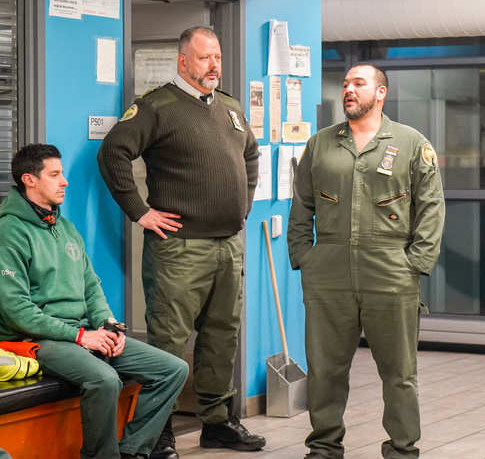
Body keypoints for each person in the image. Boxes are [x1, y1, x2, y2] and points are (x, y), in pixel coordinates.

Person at [97, 26, 264, 458]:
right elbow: (113, 152)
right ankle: (160, 433)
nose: (215, 66)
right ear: (183, 62)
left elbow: (250, 155)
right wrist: (140, 211)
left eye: (219, 58)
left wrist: (241, 205)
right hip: (180, 248)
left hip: (228, 244)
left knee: (222, 335)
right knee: (170, 341)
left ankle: (218, 423)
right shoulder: (157, 106)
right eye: (206, 58)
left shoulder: (229, 108)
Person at [287, 63, 445, 458]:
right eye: (345, 84)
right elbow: (301, 206)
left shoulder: (410, 143)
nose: (348, 90)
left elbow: (431, 207)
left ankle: (402, 449)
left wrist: (415, 263)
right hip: (328, 273)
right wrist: (305, 257)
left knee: (399, 373)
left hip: (391, 271)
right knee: (324, 369)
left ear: (381, 93)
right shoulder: (321, 143)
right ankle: (323, 447)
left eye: (359, 84)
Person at [0, 144, 189, 459]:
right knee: (104, 379)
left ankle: (131, 451)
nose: (65, 182)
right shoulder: (9, 232)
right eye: (55, 174)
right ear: (29, 180)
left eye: (63, 174)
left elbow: (90, 284)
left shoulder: (64, 227)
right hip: (37, 339)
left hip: (84, 330)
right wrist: (80, 336)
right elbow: (16, 311)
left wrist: (107, 324)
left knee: (173, 369)